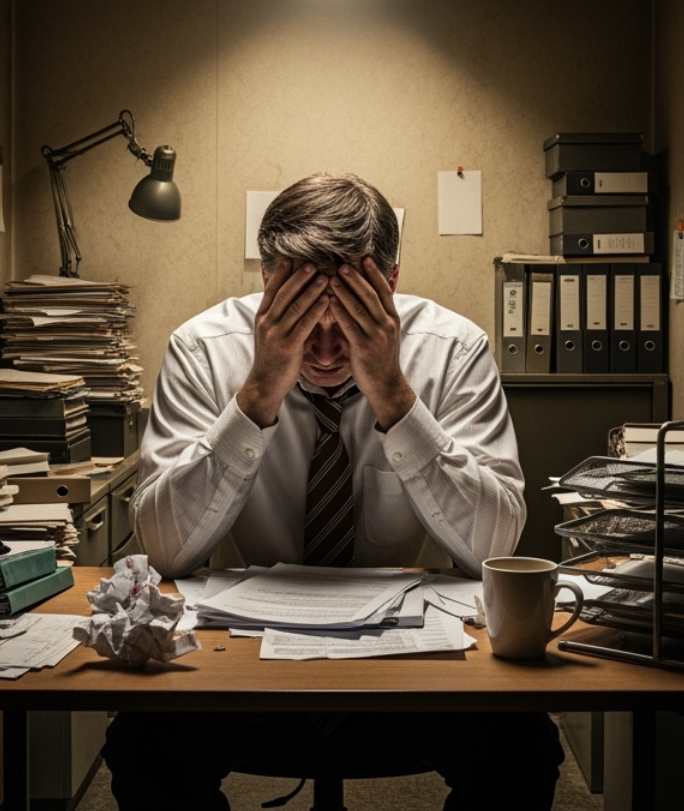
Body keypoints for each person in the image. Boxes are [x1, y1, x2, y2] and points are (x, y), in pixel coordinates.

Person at [105, 172, 563, 811]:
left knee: (524, 754)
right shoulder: (203, 350)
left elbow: (494, 544)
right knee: (142, 750)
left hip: (410, 663)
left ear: (390, 285)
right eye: (300, 319)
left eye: (347, 321)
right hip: (244, 660)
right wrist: (259, 392)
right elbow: (163, 550)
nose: (323, 352)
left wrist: (396, 399)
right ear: (267, 283)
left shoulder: (454, 351)